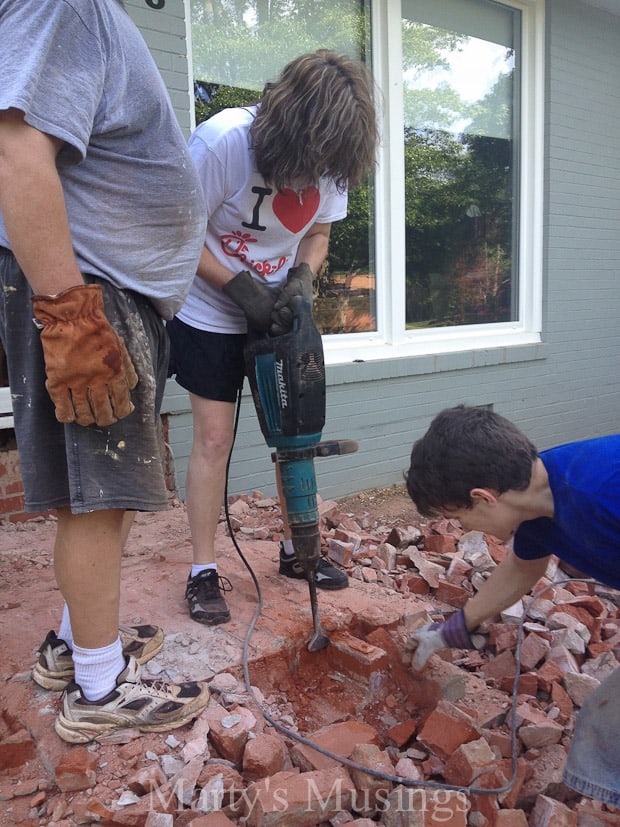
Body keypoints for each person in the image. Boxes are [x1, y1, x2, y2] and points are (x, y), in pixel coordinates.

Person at [0, 0, 212, 743]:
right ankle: (98, 685)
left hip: (102, 287)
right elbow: (16, 148)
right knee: (94, 503)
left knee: (100, 494)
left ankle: (71, 645)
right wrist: (69, 312)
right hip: (88, 288)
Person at [167, 50, 379, 625]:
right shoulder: (223, 144)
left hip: (279, 311)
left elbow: (319, 233)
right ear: (289, 128)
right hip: (207, 307)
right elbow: (176, 232)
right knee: (215, 437)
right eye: (310, 163)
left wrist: (302, 282)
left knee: (294, 435)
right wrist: (239, 288)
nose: (316, 175)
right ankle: (203, 571)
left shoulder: (333, 155)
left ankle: (296, 552)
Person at [405, 404, 620, 806]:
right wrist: (449, 630)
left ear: (483, 498)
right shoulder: (543, 500)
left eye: (458, 517)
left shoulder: (604, 492)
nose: (464, 529)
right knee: (605, 727)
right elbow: (523, 567)